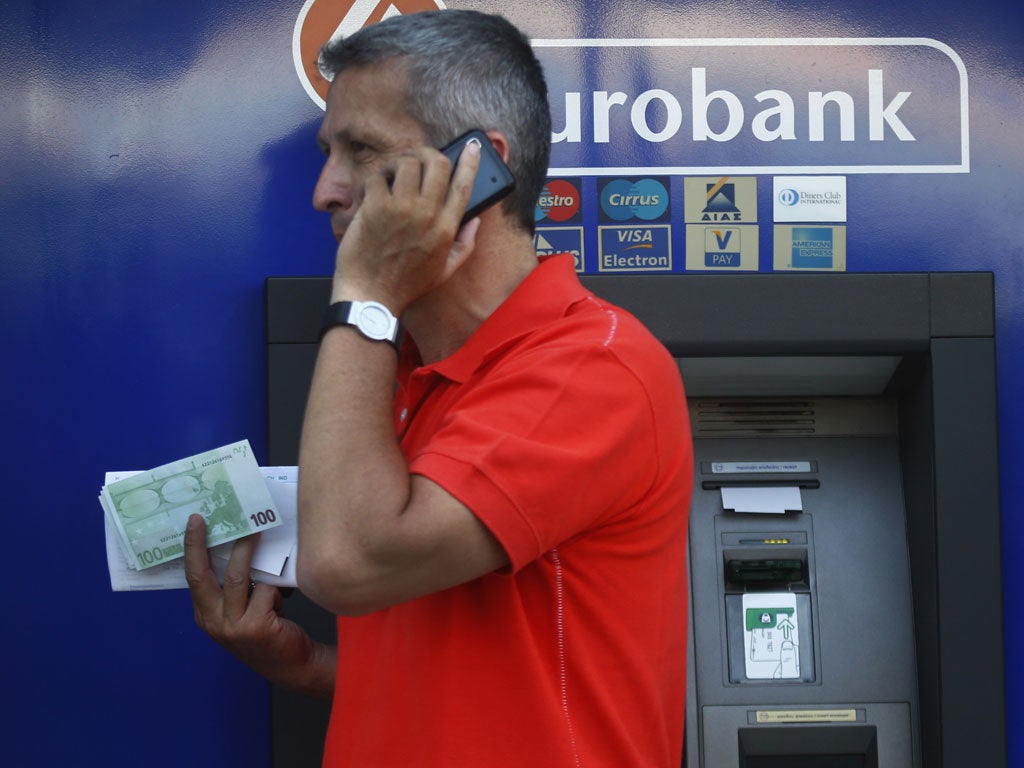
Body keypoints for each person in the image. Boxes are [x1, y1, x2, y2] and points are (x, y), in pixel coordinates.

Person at [184, 9, 692, 766]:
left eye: (361, 151)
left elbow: (348, 562)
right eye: (329, 152)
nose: (325, 191)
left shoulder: (593, 366)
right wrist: (309, 668)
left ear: (476, 169)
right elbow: (490, 678)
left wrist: (367, 295)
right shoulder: (389, 369)